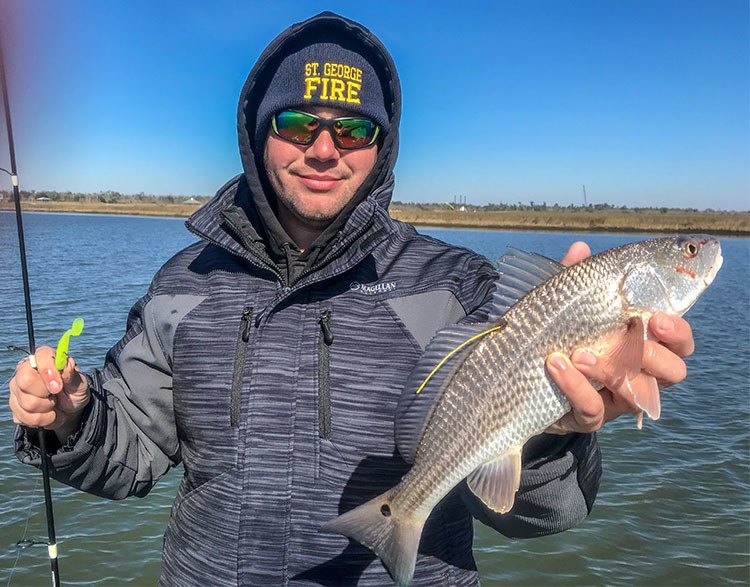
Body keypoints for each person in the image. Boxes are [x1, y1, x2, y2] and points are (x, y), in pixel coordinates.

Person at [9, 11, 696, 586]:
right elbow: (129, 456)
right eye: (299, 122)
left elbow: (544, 516)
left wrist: (550, 431)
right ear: (258, 132)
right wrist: (71, 417)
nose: (325, 147)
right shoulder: (185, 281)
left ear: (382, 147)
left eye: (355, 129)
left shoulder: (458, 285)